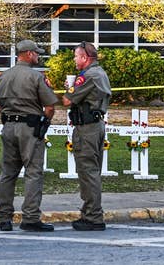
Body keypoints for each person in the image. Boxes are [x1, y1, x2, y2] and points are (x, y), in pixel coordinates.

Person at [0, 40, 58, 232]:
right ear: (28, 54)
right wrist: (44, 122)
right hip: (29, 128)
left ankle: (4, 218)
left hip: (9, 126)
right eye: (36, 53)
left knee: (8, 173)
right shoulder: (36, 77)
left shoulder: (3, 77)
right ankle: (30, 217)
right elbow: (50, 106)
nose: (38, 56)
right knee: (33, 172)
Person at [62, 41, 111, 231]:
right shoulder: (100, 72)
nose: (74, 59)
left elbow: (67, 100)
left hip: (87, 128)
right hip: (97, 125)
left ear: (84, 58)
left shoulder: (87, 76)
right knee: (93, 171)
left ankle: (93, 216)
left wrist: (70, 88)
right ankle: (91, 212)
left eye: (76, 56)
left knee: (88, 172)